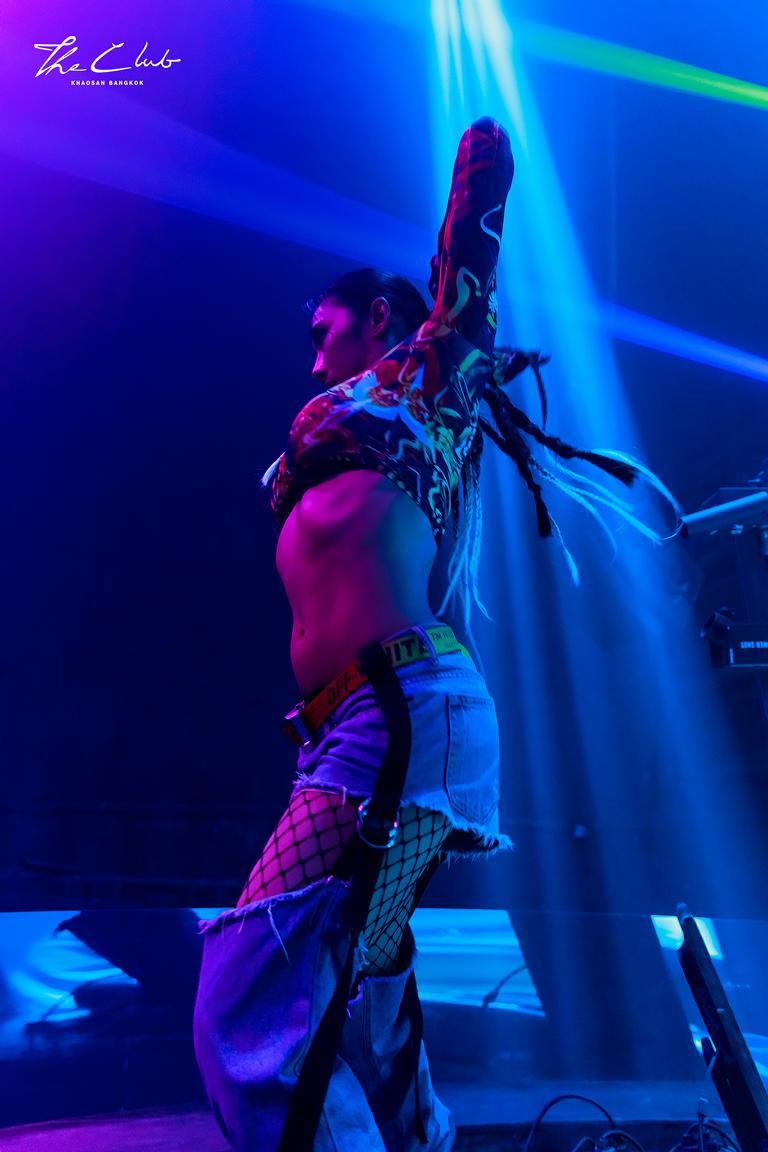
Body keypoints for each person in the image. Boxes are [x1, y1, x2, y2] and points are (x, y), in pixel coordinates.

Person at [193, 118, 657, 1152]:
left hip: (398, 705)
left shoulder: (421, 380)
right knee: (355, 970)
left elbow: (463, 293)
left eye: (326, 330)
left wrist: (480, 164)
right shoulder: (348, 420)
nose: (313, 354)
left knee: (246, 997)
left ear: (381, 319)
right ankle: (420, 1138)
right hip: (364, 720)